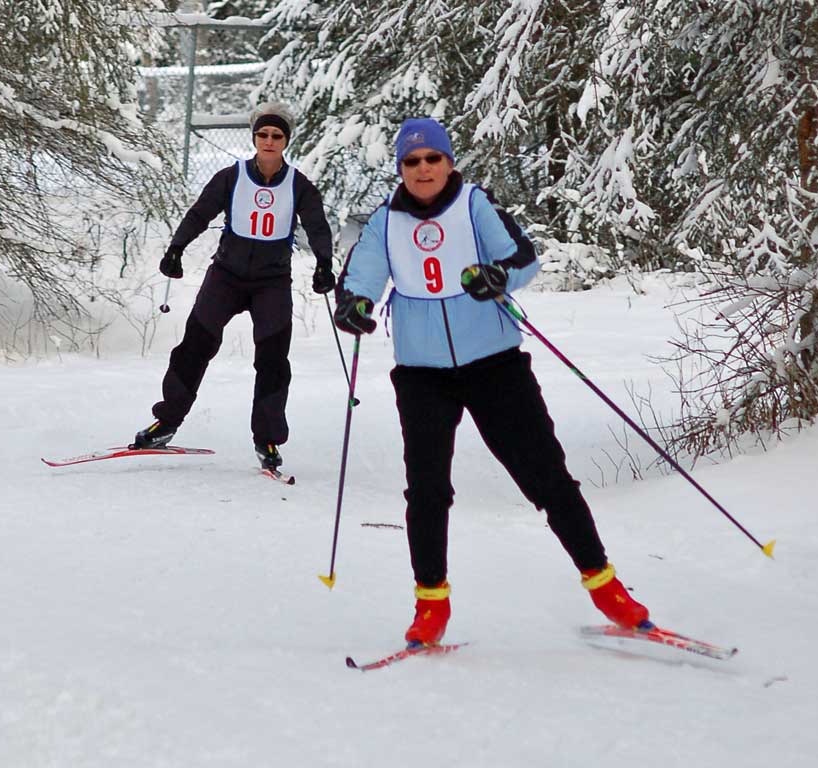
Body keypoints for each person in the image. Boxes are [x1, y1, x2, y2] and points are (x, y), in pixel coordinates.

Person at [334, 117, 651, 645]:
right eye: (411, 162)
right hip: (421, 374)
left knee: (546, 478)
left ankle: (607, 589)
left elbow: (521, 257)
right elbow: (362, 273)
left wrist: (498, 276)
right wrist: (355, 304)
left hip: (495, 365)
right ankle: (430, 604)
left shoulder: (474, 204)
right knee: (428, 491)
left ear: (448, 161)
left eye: (432, 158)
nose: (423, 169)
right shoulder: (384, 221)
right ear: (401, 169)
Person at [133, 103, 336, 471]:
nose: (269, 141)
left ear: (286, 140)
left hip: (272, 281)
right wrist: (176, 248)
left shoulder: (299, 184)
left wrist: (324, 263)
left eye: (276, 136)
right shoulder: (232, 176)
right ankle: (168, 421)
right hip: (226, 275)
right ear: (255, 138)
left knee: (273, 361)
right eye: (263, 135)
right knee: (194, 346)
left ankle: (268, 439)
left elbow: (318, 226)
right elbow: (200, 212)